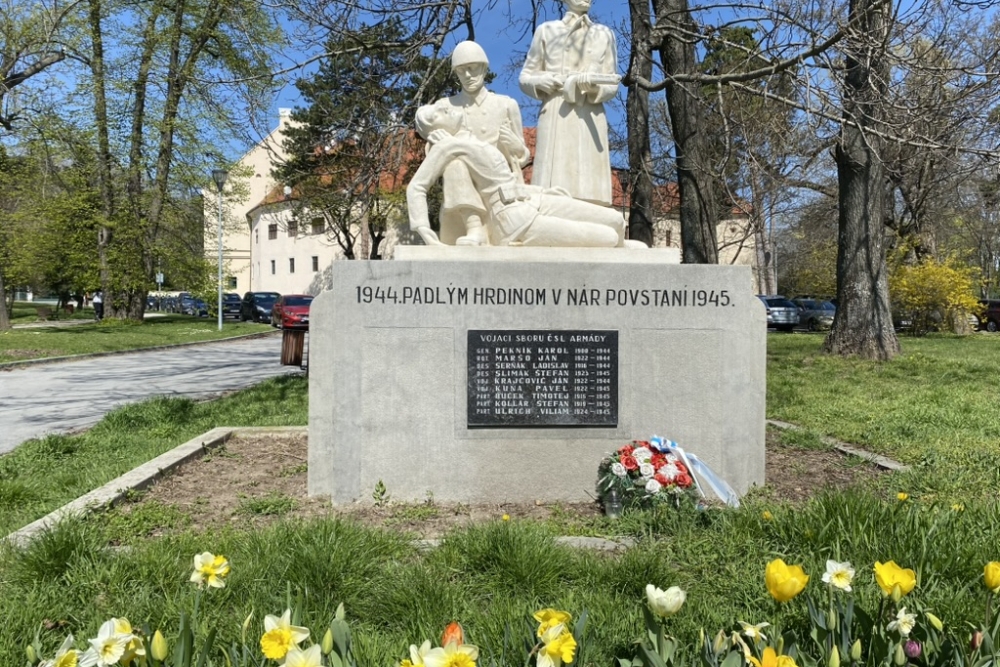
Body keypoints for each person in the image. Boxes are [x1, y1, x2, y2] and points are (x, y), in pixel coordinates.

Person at [408, 104, 642, 248]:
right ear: (435, 129)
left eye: (439, 107)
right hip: (514, 220)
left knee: (614, 219)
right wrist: (422, 227)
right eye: (436, 114)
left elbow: (509, 180)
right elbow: (416, 187)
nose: (443, 108)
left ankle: (624, 245)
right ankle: (619, 244)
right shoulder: (446, 146)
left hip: (533, 199)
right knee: (608, 237)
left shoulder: (475, 141)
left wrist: (542, 191)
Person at [430, 41, 531, 246]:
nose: (467, 75)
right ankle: (474, 226)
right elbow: (434, 151)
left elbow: (521, 157)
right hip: (462, 190)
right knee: (454, 163)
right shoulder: (445, 107)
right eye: (461, 70)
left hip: (498, 186)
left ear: (484, 68)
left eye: (472, 68)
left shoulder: (505, 105)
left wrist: (516, 146)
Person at [519, 0, 619, 206]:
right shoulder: (547, 31)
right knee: (552, 186)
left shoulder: (604, 34)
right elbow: (525, 77)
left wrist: (593, 86)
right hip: (557, 110)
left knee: (591, 187)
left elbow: (612, 82)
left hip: (590, 115)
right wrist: (541, 80)